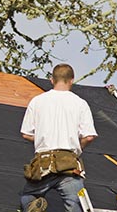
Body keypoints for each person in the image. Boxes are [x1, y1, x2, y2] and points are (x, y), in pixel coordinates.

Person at [19, 64, 98, 212]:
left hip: (43, 161)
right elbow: (89, 137)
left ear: (51, 79)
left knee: (27, 195)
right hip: (69, 162)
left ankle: (32, 206)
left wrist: (43, 139)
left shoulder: (37, 101)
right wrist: (78, 149)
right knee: (75, 205)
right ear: (72, 80)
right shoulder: (80, 104)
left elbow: (26, 133)